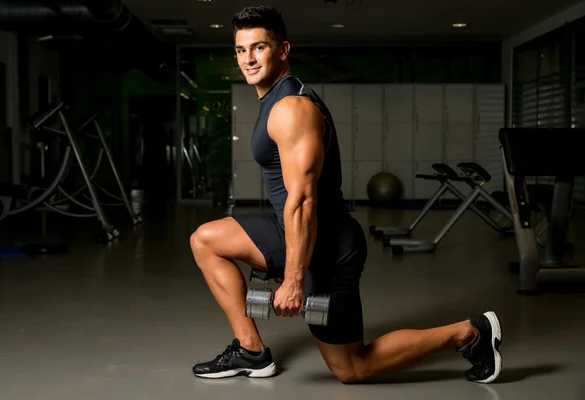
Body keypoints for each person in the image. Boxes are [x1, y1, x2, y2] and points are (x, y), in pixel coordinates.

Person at [190, 5, 502, 384]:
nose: (249, 59)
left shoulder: (291, 108)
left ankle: (470, 332)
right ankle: (252, 351)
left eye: (259, 47)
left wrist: (292, 279)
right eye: (241, 50)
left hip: (329, 246)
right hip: (292, 230)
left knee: (353, 368)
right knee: (206, 239)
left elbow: (304, 200)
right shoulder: (273, 99)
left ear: (283, 50)